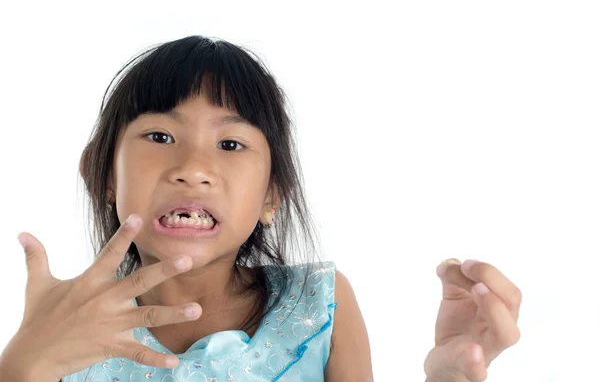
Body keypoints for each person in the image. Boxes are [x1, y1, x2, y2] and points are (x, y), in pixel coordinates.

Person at [0, 36, 521, 382]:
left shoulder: (319, 305)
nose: (193, 167)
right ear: (101, 176)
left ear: (273, 194)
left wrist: (447, 378)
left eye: (230, 145)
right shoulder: (65, 327)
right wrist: (23, 363)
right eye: (160, 135)